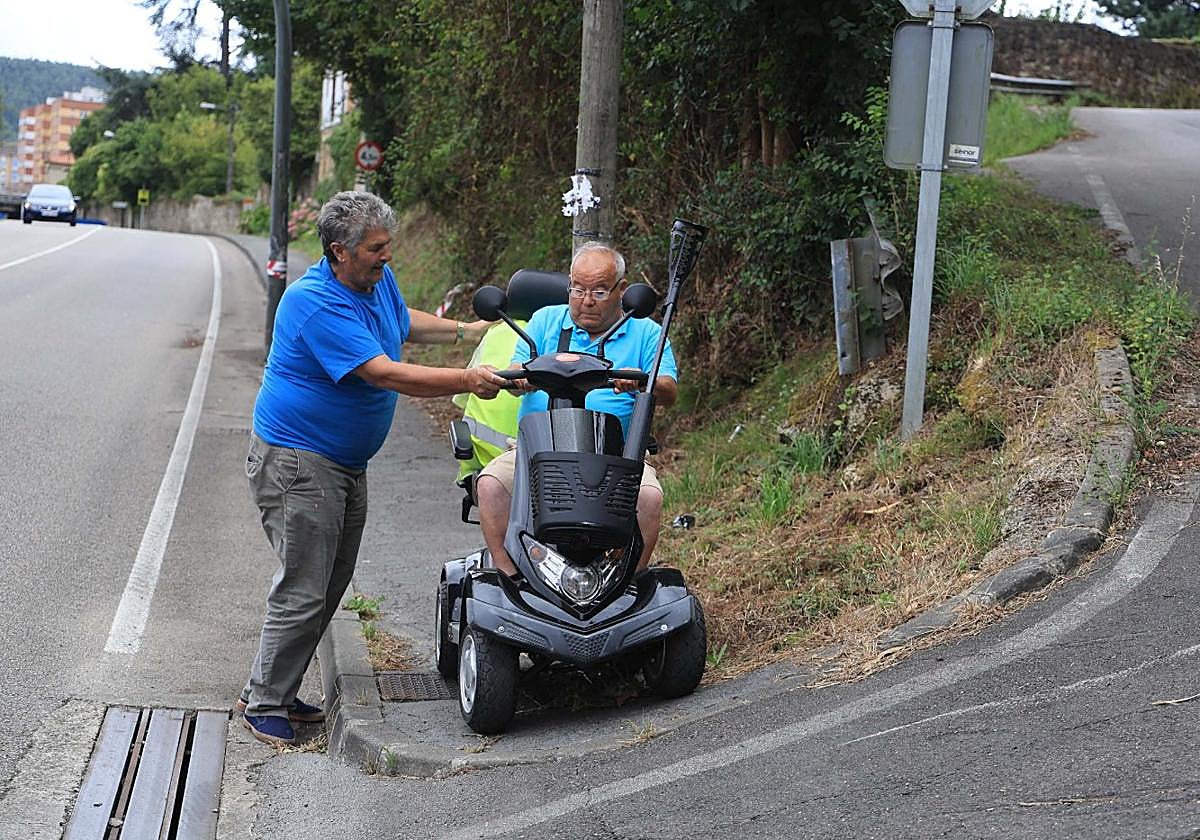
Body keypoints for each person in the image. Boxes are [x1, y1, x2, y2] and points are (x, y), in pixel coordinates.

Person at [238, 190, 507, 747]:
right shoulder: (314, 302)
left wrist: (468, 334)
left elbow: (400, 321)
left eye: (389, 246)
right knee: (305, 586)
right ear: (340, 251)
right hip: (299, 461)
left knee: (329, 582)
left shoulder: (373, 280)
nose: (388, 257)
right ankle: (264, 702)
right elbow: (385, 372)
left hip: (341, 462)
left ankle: (276, 688)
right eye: (376, 249)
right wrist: (468, 378)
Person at [476, 242, 678, 579]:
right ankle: (511, 577)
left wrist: (642, 382)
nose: (585, 301)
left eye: (599, 291)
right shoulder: (544, 321)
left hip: (617, 455)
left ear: (622, 290)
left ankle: (622, 584)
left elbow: (669, 390)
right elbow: (516, 367)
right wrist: (518, 379)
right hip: (537, 452)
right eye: (577, 289)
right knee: (491, 484)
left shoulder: (645, 332)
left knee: (648, 498)